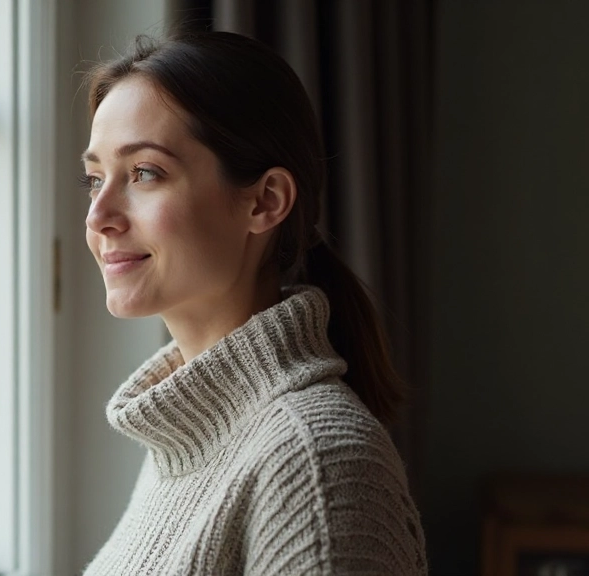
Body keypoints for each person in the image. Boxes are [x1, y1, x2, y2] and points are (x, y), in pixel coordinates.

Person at [79, 31, 428, 575]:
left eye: (145, 173)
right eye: (94, 178)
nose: (99, 216)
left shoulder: (317, 465)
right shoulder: (185, 438)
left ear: (266, 201)